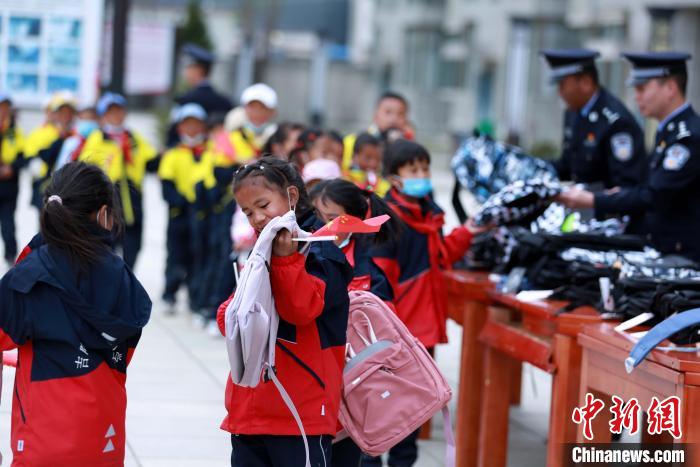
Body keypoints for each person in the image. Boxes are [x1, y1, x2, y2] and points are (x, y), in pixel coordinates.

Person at [0, 161, 151, 465]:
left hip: (40, 439)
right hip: (104, 436)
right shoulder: (122, 277)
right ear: (104, 214)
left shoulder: (30, 275)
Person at [216, 157, 352, 466]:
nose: (257, 218)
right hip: (251, 405)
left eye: (263, 205)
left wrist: (286, 260)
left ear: (291, 196)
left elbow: (300, 310)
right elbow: (230, 319)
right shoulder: (260, 249)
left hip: (299, 410)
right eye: (248, 212)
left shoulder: (321, 251)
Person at [368, 139, 488, 466]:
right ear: (395, 178)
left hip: (424, 327)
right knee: (382, 403)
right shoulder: (387, 219)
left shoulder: (429, 214)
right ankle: (371, 460)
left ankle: (403, 461)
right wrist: (387, 329)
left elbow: (443, 256)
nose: (422, 175)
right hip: (396, 329)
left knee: (414, 404)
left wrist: (468, 231)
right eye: (414, 169)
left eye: (425, 168)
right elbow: (380, 278)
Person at [558, 52, 700, 262]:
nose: (636, 96)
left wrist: (594, 200)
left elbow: (653, 194)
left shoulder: (687, 137)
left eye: (642, 89)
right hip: (660, 248)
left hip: (681, 256)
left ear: (670, 88)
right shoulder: (670, 131)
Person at [309, 178, 402, 467]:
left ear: (356, 220)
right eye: (319, 217)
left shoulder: (371, 262)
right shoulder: (305, 249)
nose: (326, 226)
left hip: (358, 372)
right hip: (317, 368)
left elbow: (385, 321)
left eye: (335, 219)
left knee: (359, 451)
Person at [541, 49, 647, 190]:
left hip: (606, 209)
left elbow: (625, 184)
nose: (560, 92)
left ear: (586, 83)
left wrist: (586, 195)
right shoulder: (573, 112)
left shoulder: (616, 121)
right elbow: (568, 166)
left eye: (563, 85)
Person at [79, 92, 158, 269]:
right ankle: (111, 277)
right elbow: (87, 165)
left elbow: (151, 159)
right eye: (111, 112)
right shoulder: (97, 138)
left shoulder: (133, 137)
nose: (116, 116)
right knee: (108, 242)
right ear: (104, 115)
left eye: (119, 111)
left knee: (133, 244)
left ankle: (127, 276)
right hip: (108, 197)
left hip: (132, 197)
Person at [158, 103, 215, 314]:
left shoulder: (210, 151)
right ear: (180, 128)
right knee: (175, 255)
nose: (192, 129)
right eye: (187, 124)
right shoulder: (173, 154)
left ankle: (195, 296)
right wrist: (182, 201)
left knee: (198, 254)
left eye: (196, 124)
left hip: (202, 213)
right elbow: (166, 187)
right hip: (179, 214)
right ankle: (169, 294)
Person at [166, 43, 234, 147]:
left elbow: (173, 138)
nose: (186, 72)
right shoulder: (225, 101)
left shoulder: (185, 100)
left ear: (198, 69)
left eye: (188, 68)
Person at [25, 91, 77, 210]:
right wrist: (60, 138)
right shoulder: (41, 133)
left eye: (69, 112)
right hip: (46, 185)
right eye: (62, 112)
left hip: (70, 187)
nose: (65, 116)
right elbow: (40, 159)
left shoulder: (78, 134)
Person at [342, 91, 411, 170]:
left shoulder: (408, 149)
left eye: (400, 114)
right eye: (388, 112)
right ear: (375, 115)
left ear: (406, 120)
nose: (394, 118)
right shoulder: (352, 142)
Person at [0, 93, 24, 264]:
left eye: (5, 108)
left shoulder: (16, 132)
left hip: (8, 187)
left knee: (8, 224)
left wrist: (12, 167)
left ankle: (11, 257)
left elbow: (25, 156)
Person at [53, 104, 100, 171]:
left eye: (91, 119)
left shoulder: (103, 141)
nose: (88, 122)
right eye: (85, 119)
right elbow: (61, 167)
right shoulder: (71, 141)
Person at [345, 132, 391, 196]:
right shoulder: (344, 181)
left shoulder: (384, 186)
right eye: (368, 158)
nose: (373, 164)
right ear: (355, 156)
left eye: (378, 159)